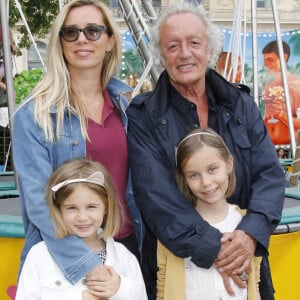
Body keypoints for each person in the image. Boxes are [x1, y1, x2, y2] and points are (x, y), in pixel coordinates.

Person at [126, 3, 285, 300]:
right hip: (179, 268)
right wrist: (219, 249)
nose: (185, 54)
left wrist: (249, 235)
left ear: (209, 49)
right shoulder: (144, 115)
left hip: (245, 263)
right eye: (173, 46)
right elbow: (155, 196)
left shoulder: (240, 104)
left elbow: (270, 175)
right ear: (161, 56)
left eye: (194, 43)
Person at [12, 0, 142, 289]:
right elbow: (38, 202)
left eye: (93, 31)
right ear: (60, 42)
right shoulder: (34, 115)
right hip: (64, 258)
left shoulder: (127, 106)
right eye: (71, 32)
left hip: (126, 250)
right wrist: (89, 264)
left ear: (109, 41)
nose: (82, 39)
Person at [15, 158, 147, 300]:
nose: (82, 217)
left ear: (106, 207)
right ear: (58, 209)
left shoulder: (125, 257)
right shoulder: (39, 255)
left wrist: (120, 288)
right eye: (72, 208)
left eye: (91, 207)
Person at [156, 128, 262, 300]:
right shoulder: (174, 227)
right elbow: (163, 285)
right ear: (184, 179)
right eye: (194, 175)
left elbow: (254, 281)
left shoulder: (247, 224)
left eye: (212, 169)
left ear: (229, 164)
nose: (206, 182)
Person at [262, 40, 300, 145]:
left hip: (288, 149)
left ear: (284, 57)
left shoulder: (297, 85)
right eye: (264, 60)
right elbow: (268, 118)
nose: (266, 64)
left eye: (270, 59)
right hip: (267, 148)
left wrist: (282, 115)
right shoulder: (269, 85)